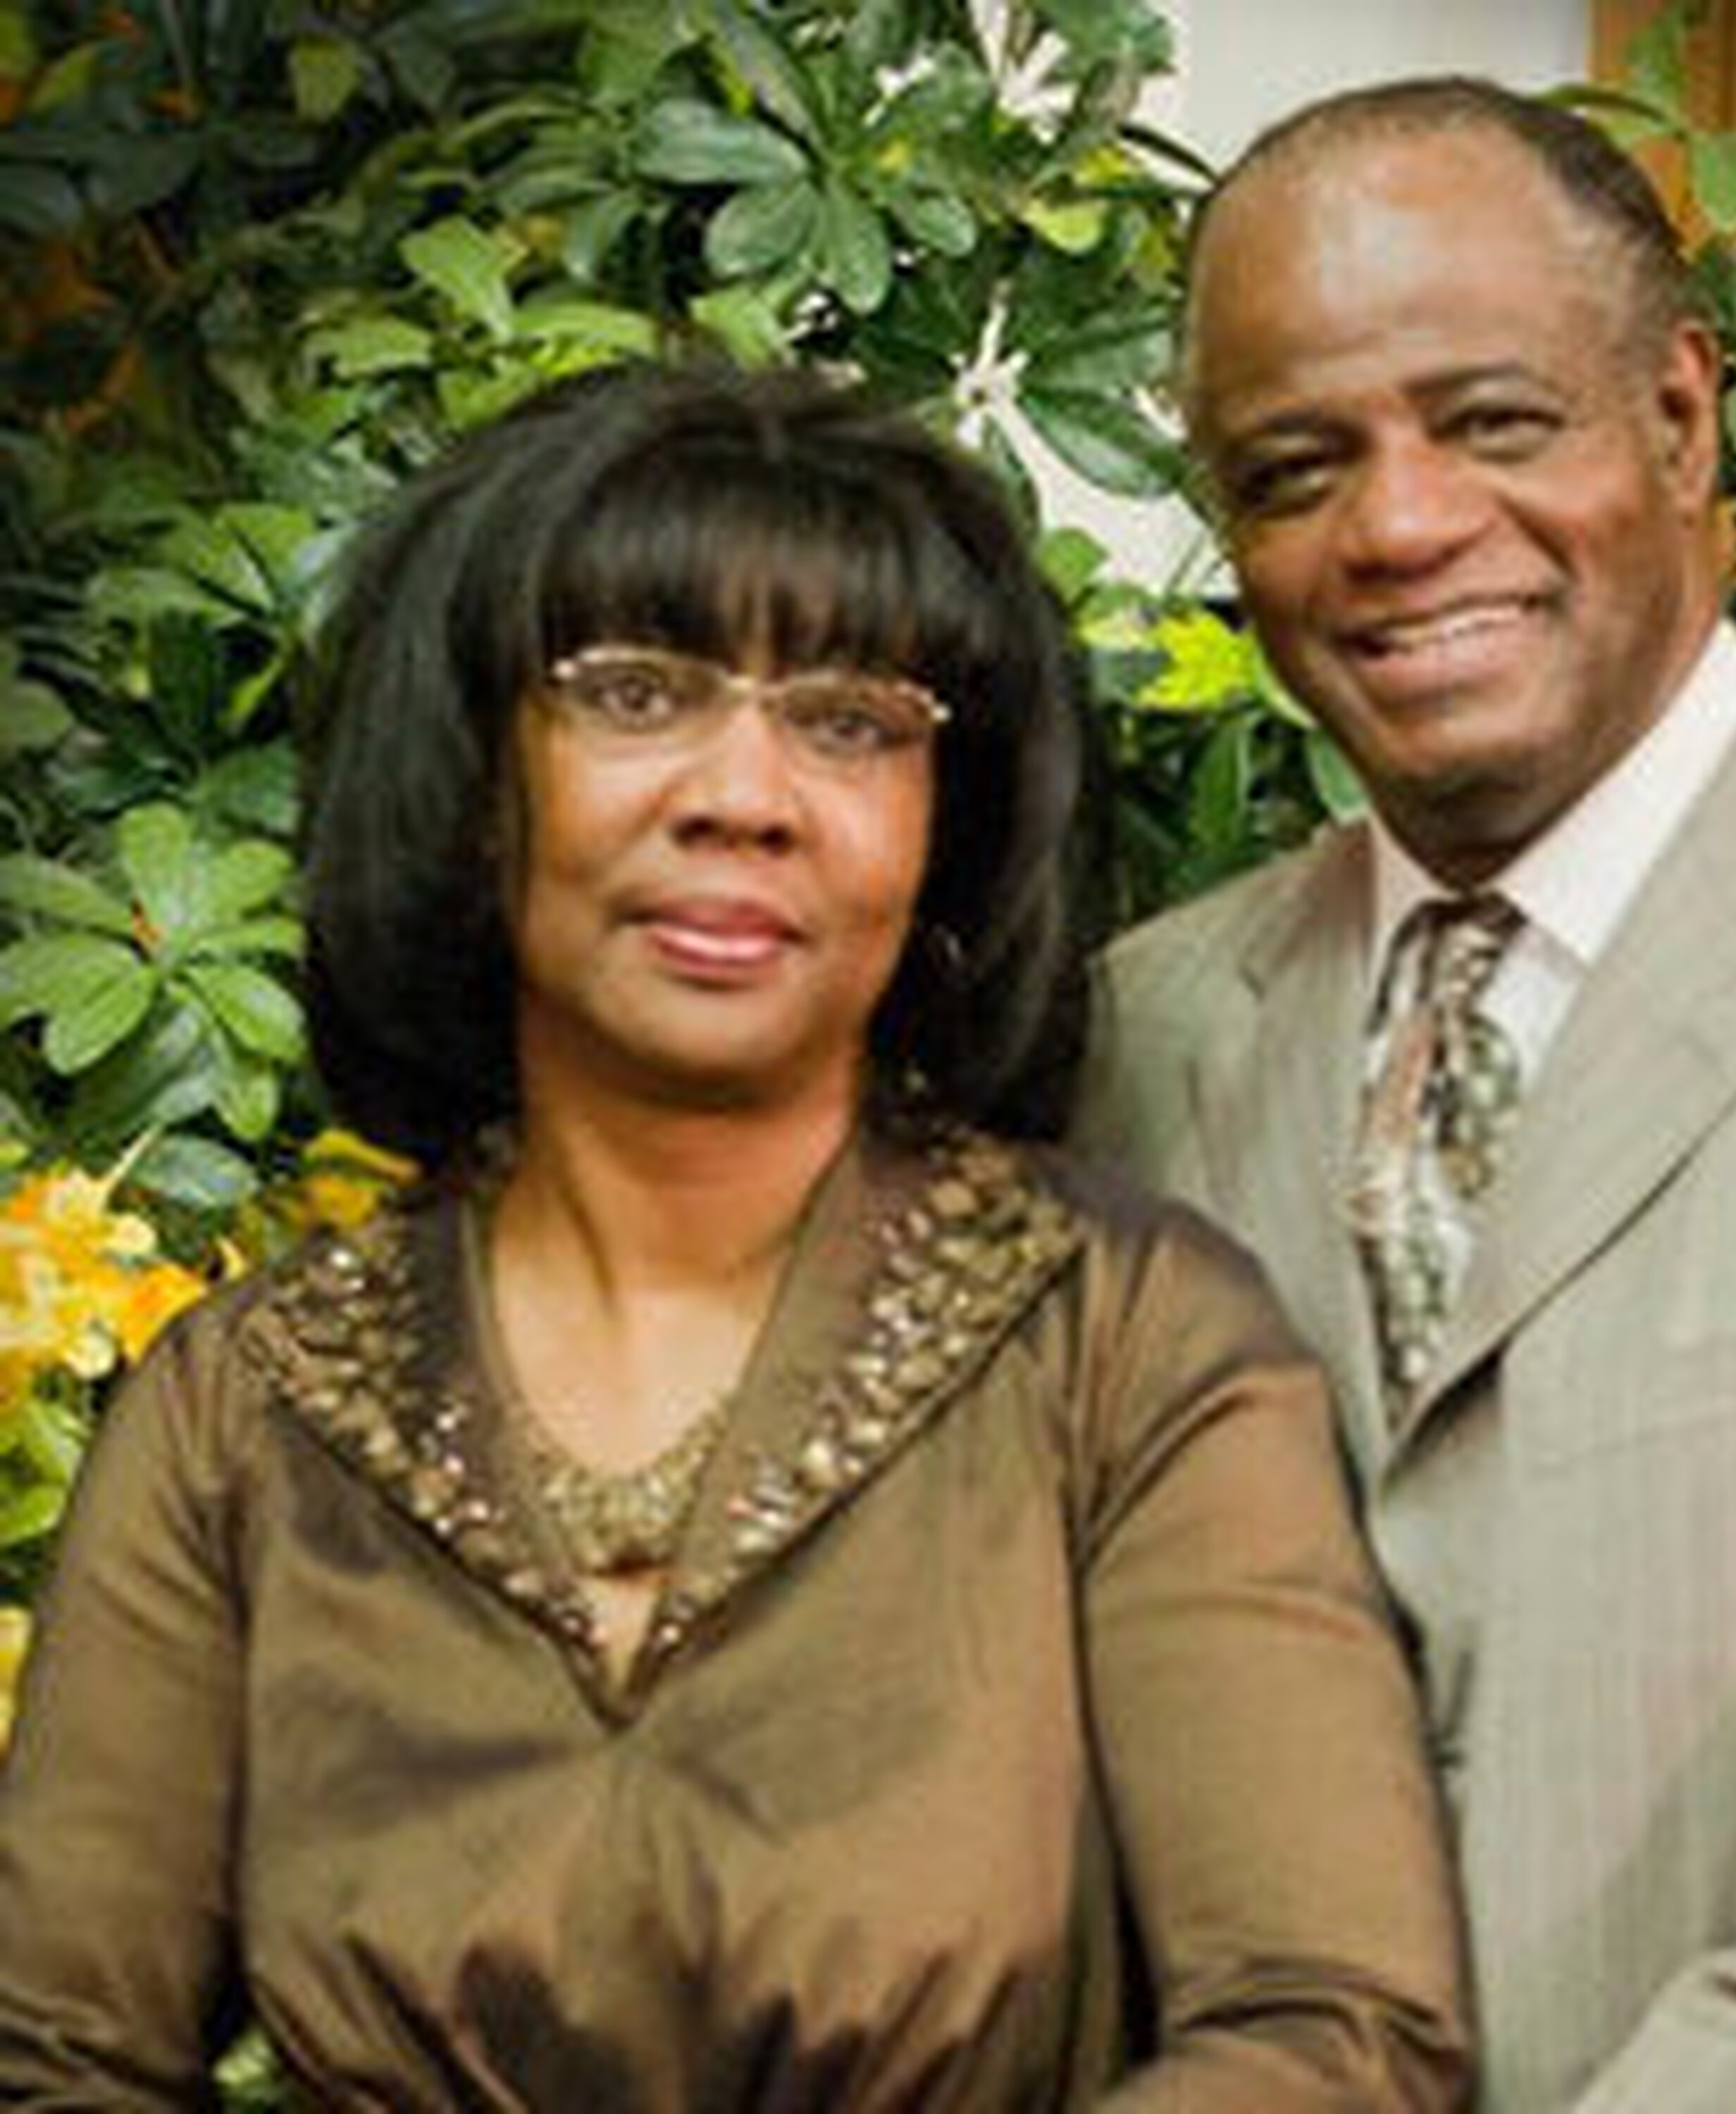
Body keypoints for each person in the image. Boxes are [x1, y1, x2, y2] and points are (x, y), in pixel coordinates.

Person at [0, 358, 1470, 2108]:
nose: (746, 795)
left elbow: (1333, 2034)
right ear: (472, 777)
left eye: (850, 723)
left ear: (944, 824)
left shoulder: (1126, 1346)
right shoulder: (247, 1411)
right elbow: (54, 2058)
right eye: (635, 694)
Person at [1075, 75, 1736, 2113]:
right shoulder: (1142, 1035)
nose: (1398, 527)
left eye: (1491, 422)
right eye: (1294, 467)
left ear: (1684, 416)